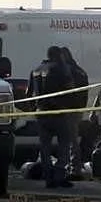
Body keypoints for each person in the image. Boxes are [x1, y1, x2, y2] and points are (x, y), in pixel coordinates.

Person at [29, 46, 74, 188]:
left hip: (41, 112)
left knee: (45, 147)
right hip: (58, 112)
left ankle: (48, 177)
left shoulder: (36, 70)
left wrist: (34, 108)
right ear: (58, 55)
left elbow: (29, 93)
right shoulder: (61, 69)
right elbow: (70, 89)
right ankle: (59, 175)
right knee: (64, 144)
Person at [59, 47, 90, 179]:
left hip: (68, 109)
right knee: (72, 140)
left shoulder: (66, 71)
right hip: (77, 109)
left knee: (69, 141)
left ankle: (73, 169)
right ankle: (73, 168)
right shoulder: (80, 71)